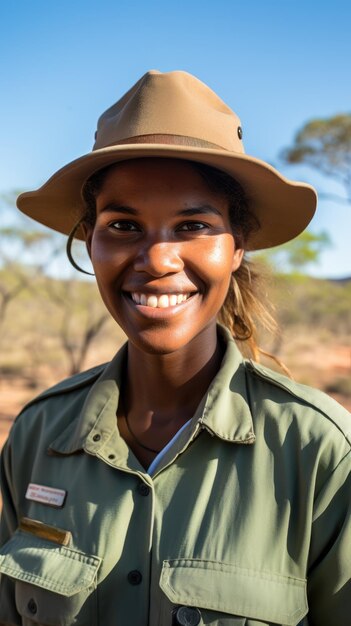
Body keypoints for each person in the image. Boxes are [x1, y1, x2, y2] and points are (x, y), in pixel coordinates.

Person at [0, 70, 350, 626]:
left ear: (238, 245)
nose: (157, 259)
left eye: (191, 225)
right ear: (89, 240)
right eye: (123, 225)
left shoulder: (320, 450)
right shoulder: (38, 435)